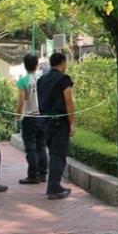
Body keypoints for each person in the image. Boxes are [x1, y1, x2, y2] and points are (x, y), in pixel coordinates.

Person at [37, 52, 75, 200]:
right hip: (59, 121)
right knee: (58, 155)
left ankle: (54, 186)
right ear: (62, 62)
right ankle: (54, 188)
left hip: (44, 120)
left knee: (52, 153)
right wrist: (72, 123)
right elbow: (68, 101)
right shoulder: (63, 79)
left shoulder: (42, 79)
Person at [16, 53, 47, 185]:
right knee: (41, 146)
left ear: (25, 65)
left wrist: (18, 116)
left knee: (31, 148)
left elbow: (21, 101)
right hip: (43, 117)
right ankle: (43, 174)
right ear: (37, 64)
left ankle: (32, 175)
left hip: (30, 118)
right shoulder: (43, 79)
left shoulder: (23, 81)